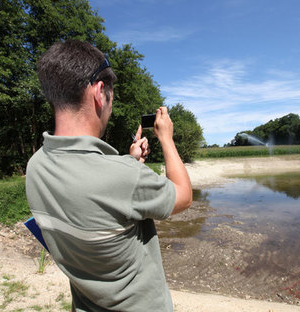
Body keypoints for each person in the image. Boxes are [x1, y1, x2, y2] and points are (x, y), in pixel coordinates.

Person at [25, 39, 192, 312]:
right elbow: (183, 196)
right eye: (111, 98)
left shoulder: (36, 167)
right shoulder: (123, 177)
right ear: (100, 93)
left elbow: (89, 192)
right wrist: (167, 139)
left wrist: (130, 161)